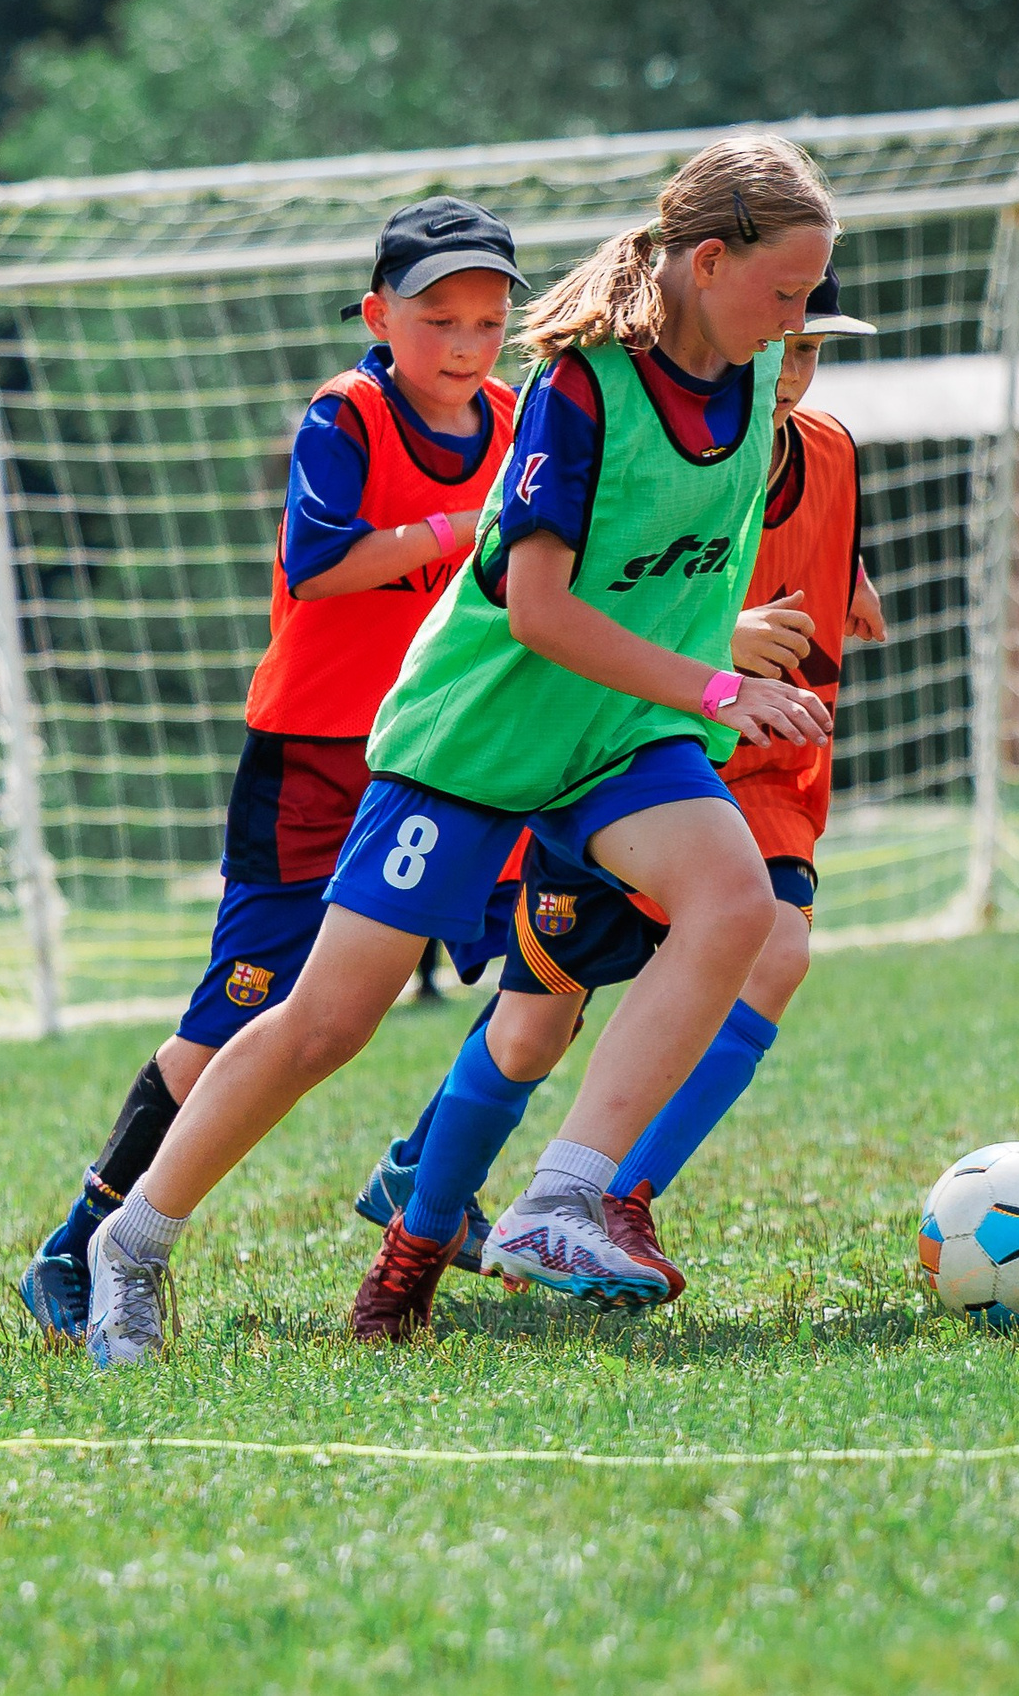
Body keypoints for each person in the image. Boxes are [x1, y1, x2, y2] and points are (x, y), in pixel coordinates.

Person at [81, 136, 842, 1364]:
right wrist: (716, 680)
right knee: (326, 1020)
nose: (799, 325)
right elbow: (539, 609)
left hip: (616, 733)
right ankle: (130, 1241)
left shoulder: (753, 385)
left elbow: (674, 561)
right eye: (787, 294)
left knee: (736, 904)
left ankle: (559, 1200)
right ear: (708, 262)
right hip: (473, 740)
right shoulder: (581, 386)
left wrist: (731, 640)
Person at [12, 196, 526, 1342]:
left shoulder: (515, 418)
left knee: (549, 961)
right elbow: (326, 560)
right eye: (439, 317)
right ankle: (82, 1237)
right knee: (245, 1016)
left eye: (490, 320)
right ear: (377, 314)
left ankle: (420, 1177)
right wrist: (467, 529)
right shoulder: (343, 416)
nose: (464, 343)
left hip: (455, 752)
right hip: (314, 760)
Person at [356, 265, 886, 1307]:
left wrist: (849, 585)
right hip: (626, 751)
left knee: (774, 944)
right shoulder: (654, 433)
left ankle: (613, 1198)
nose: (793, 366)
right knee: (527, 1031)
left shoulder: (829, 454)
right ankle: (410, 1251)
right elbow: (604, 589)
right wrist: (717, 646)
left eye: (815, 348)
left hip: (760, 779)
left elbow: (821, 547)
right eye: (784, 339)